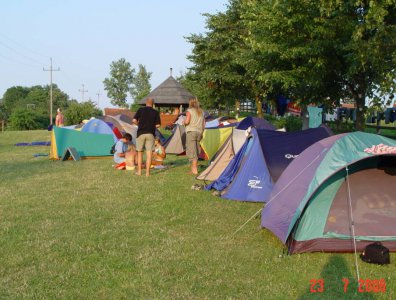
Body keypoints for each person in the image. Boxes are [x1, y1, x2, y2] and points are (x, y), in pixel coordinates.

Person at [133, 98, 161, 176]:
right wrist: (151, 126)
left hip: (141, 133)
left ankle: (139, 172)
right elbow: (158, 125)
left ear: (146, 103)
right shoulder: (155, 112)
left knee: (140, 153)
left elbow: (134, 120)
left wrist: (139, 125)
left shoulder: (140, 110)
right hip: (150, 134)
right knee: (149, 154)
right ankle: (147, 173)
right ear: (153, 104)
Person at [183, 97, 205, 175]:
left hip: (191, 132)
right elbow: (204, 124)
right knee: (196, 150)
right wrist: (202, 133)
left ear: (190, 103)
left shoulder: (189, 111)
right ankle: (193, 168)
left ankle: (194, 169)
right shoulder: (201, 111)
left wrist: (184, 122)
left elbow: (187, 121)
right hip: (199, 132)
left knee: (192, 151)